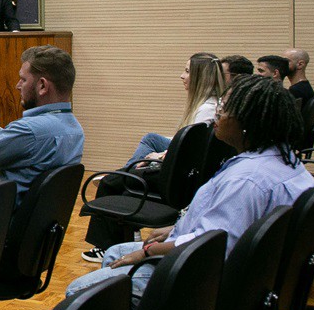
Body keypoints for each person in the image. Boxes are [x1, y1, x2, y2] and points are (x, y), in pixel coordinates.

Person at [66, 75, 312, 304]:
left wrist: (148, 251)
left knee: (79, 292)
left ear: (247, 121)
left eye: (224, 108)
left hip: (204, 281)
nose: (217, 115)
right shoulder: (284, 160)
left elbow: (210, 246)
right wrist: (176, 229)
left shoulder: (245, 181)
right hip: (249, 272)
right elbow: (228, 224)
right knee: (116, 252)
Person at [81, 52, 226, 261]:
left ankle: (104, 244)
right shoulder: (210, 105)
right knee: (140, 156)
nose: (182, 76)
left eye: (187, 71)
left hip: (179, 179)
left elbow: (189, 154)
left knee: (110, 184)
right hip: (184, 172)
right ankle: (126, 173)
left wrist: (158, 157)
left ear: (200, 76)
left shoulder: (205, 110)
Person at [0, 45, 83, 203]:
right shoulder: (74, 129)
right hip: (32, 223)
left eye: (23, 79)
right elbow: (5, 142)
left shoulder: (31, 131)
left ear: (42, 86)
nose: (17, 85)